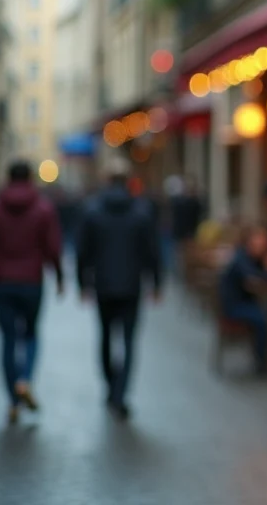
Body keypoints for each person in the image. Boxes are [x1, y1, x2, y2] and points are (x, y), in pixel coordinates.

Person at [76, 159, 161, 420]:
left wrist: (82, 283)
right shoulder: (141, 211)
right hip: (131, 285)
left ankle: (111, 386)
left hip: (103, 284)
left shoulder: (93, 210)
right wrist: (157, 282)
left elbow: (83, 251)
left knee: (105, 337)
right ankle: (120, 393)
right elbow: (152, 251)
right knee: (128, 341)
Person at [0, 160, 64, 425]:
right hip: (32, 281)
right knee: (30, 334)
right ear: (30, 178)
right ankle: (25, 379)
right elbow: (52, 247)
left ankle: (13, 400)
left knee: (7, 340)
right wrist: (60, 276)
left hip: (2, 282)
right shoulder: (43, 208)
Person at [219, 227, 267, 373]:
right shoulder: (241, 259)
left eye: (264, 244)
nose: (261, 247)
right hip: (235, 306)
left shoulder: (255, 259)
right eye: (258, 243)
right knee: (264, 320)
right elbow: (255, 279)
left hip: (247, 302)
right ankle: (263, 362)